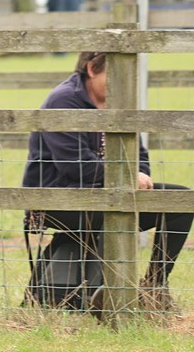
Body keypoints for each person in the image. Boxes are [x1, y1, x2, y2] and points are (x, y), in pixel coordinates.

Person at [22, 51, 191, 311]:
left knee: (181, 201)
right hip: (60, 200)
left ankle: (153, 288)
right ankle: (97, 294)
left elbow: (139, 153)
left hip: (111, 192)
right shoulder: (64, 101)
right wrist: (127, 176)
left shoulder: (119, 101)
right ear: (92, 69)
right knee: (111, 212)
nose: (123, 83)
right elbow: (75, 167)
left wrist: (140, 175)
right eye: (115, 74)